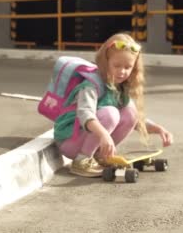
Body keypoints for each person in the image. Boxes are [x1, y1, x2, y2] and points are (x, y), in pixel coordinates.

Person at [54, 32, 173, 177]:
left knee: (131, 112)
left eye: (128, 67)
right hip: (69, 141)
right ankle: (82, 161)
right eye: (117, 66)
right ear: (105, 62)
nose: (122, 72)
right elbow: (85, 114)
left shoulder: (120, 86)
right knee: (111, 113)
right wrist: (104, 134)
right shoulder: (91, 84)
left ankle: (100, 156)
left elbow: (135, 121)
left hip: (88, 138)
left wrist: (158, 129)